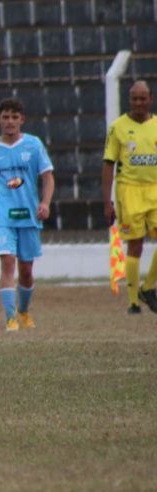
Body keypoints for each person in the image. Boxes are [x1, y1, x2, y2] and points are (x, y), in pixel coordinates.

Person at [0, 98, 55, 331]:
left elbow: (48, 176)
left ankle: (24, 310)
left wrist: (45, 202)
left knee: (26, 270)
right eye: (5, 117)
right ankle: (10, 318)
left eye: (14, 117)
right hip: (2, 216)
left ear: (21, 120)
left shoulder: (33, 145)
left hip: (28, 215)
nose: (10, 121)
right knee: (8, 262)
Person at [102, 80, 157, 315]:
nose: (138, 103)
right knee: (135, 244)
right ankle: (133, 302)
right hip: (129, 189)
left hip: (154, 188)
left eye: (142, 98)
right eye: (134, 98)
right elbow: (108, 163)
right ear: (129, 100)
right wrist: (107, 201)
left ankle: (148, 287)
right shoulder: (117, 128)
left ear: (150, 99)